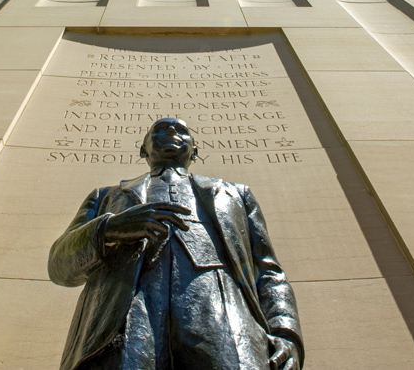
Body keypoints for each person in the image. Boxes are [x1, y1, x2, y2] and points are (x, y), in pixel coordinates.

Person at [48, 118, 303, 370]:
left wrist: (285, 331)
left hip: (223, 316)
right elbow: (60, 266)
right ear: (143, 150)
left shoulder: (236, 195)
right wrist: (110, 228)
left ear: (195, 151)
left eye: (181, 129)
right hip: (125, 315)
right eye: (159, 129)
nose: (171, 130)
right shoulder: (105, 197)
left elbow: (267, 270)